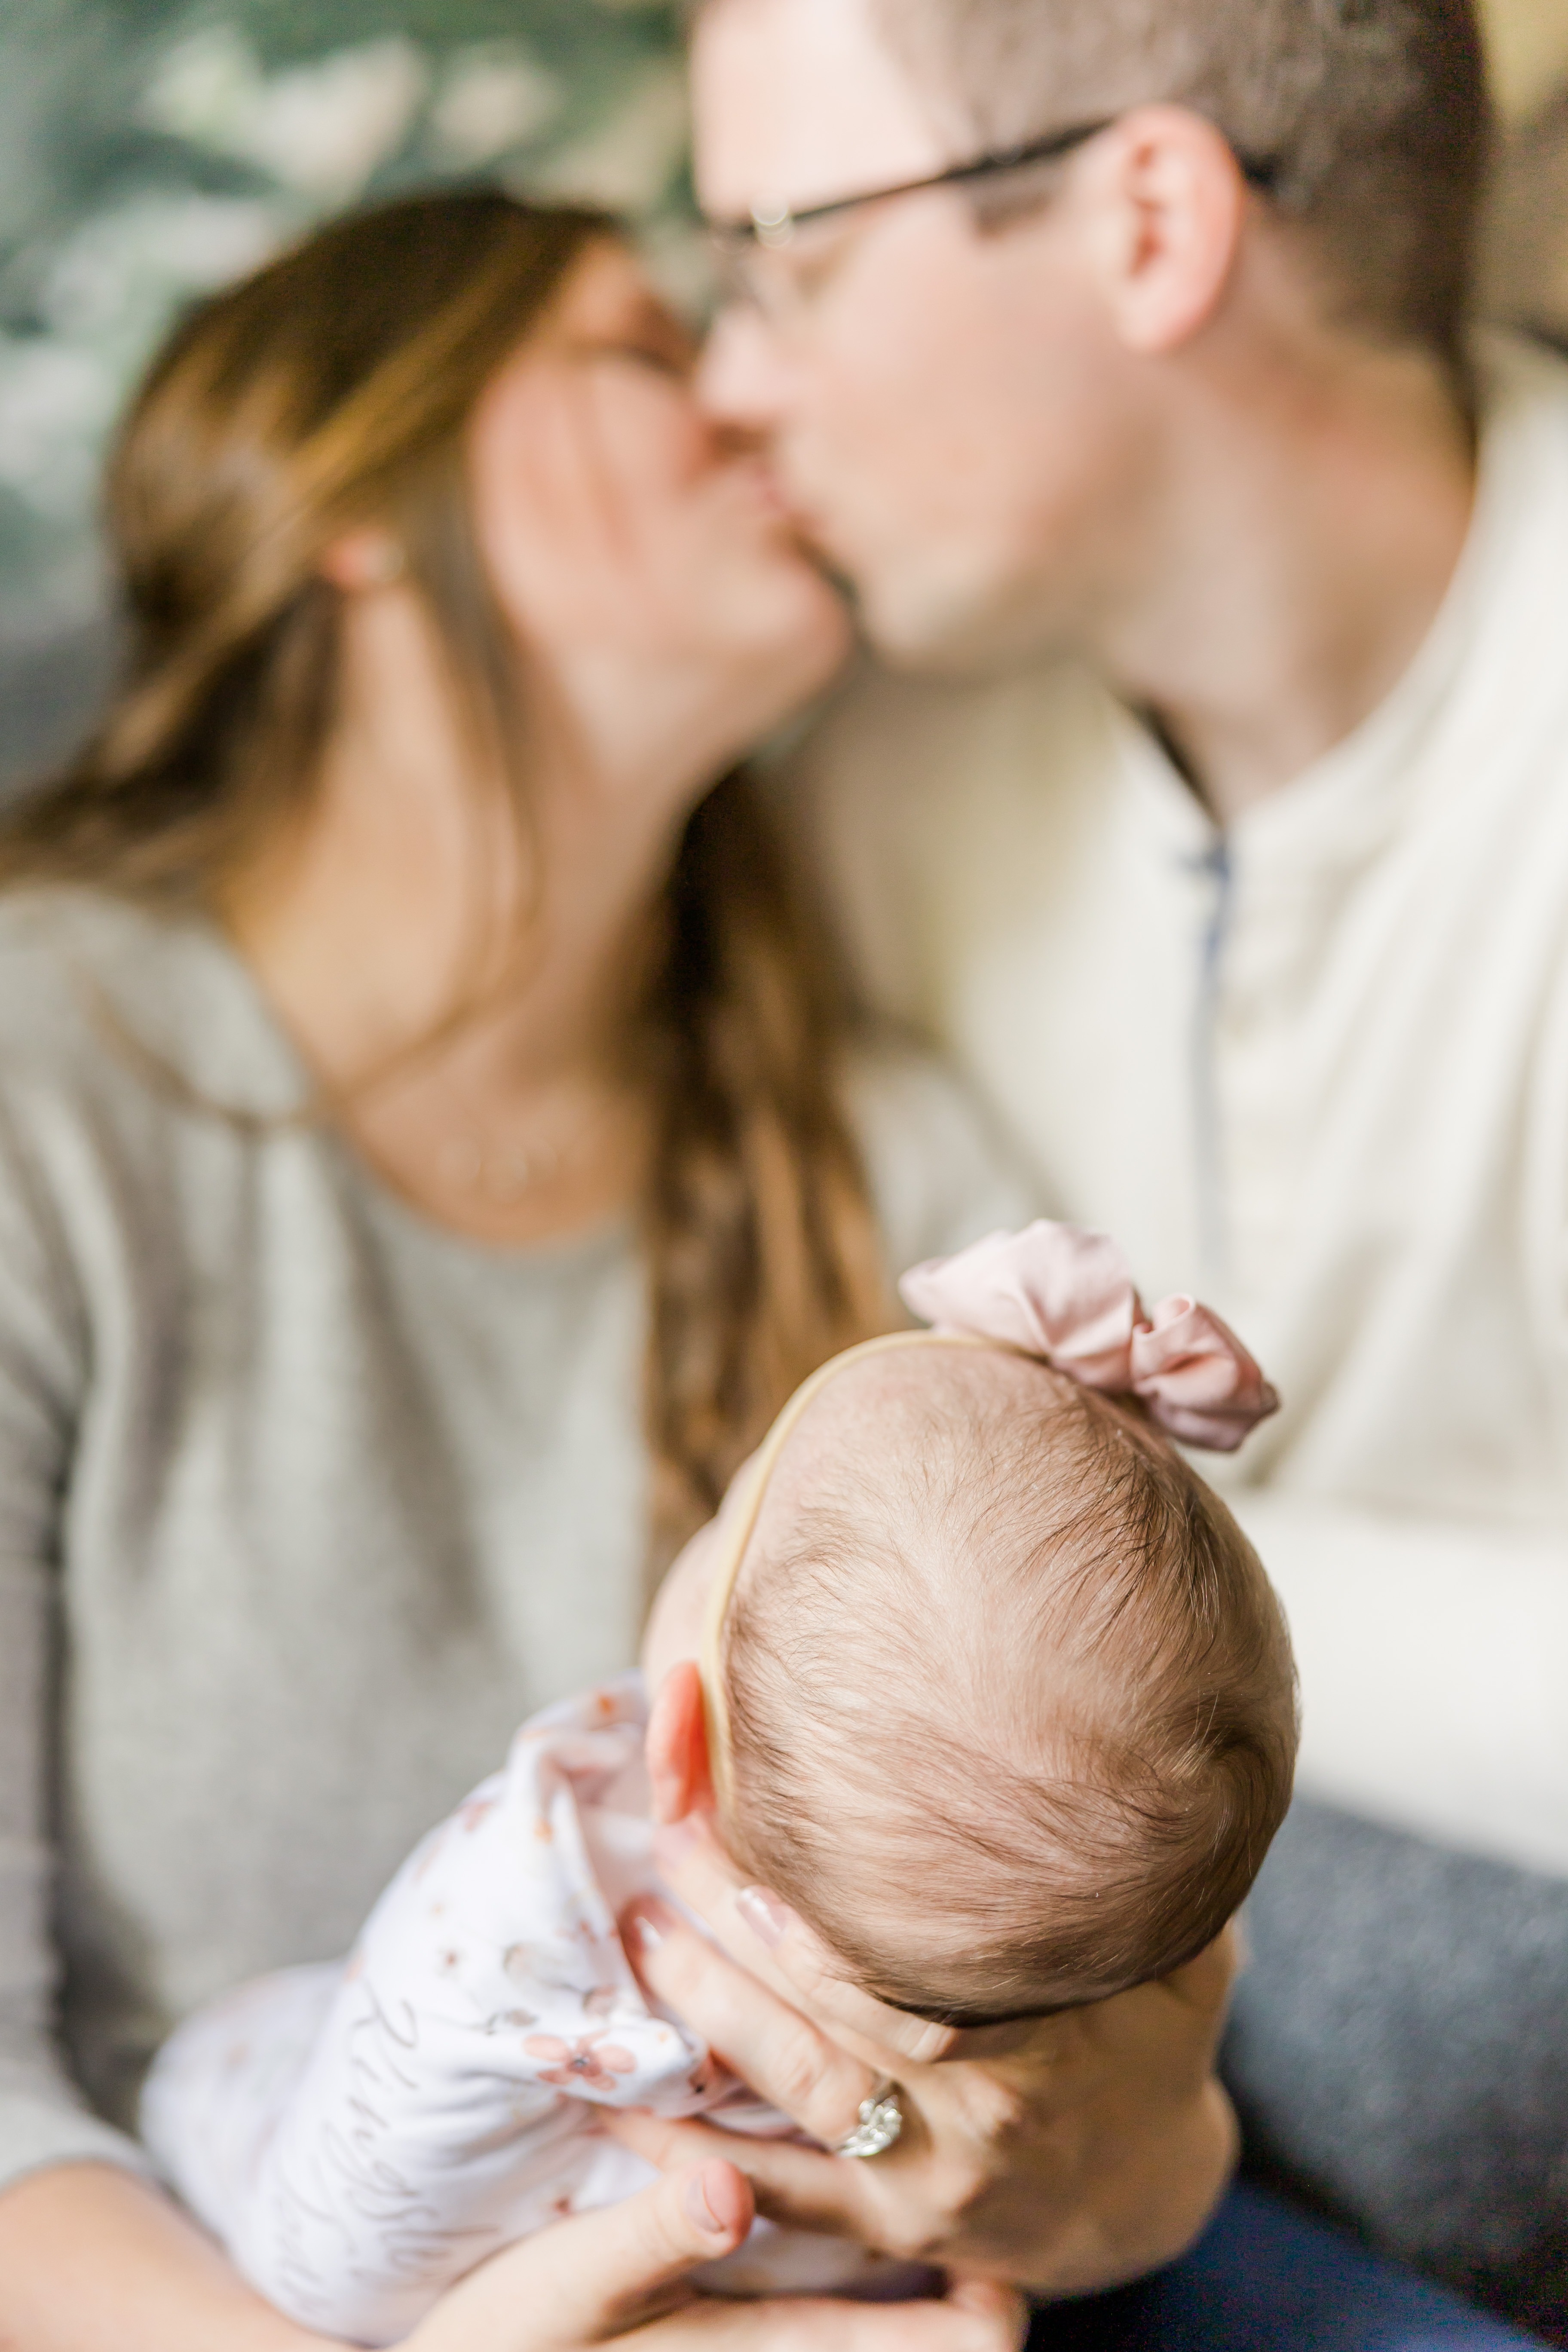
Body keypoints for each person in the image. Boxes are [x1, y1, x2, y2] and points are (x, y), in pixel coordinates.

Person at [0, 185, 1257, 2352]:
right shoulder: (49, 1096)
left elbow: (1122, 1991)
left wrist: (1142, 2172)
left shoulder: (888, 1166)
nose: (755, 391)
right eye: (643, 352)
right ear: (349, 496)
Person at [684, 0, 1568, 2333]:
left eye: (785, 252)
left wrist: (1075, 1582)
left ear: (1150, 220)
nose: (728, 386)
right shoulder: (868, 784)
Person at [135, 1219, 1293, 2343]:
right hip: (846, 2306)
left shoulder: (540, 1881)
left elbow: (327, 2248)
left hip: (353, 2236)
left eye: (733, 1508)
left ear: (673, 1744)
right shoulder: (1063, 1936)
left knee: (217, 2079)